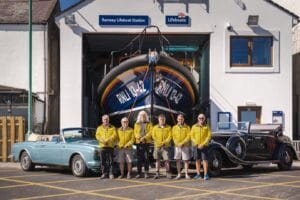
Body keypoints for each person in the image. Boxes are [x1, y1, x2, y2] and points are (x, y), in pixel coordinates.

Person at [190, 113, 212, 180]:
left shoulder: (207, 127)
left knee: (205, 160)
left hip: (204, 146)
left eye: (202, 118)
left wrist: (203, 144)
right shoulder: (194, 127)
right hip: (196, 146)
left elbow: (209, 136)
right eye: (200, 118)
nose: (201, 119)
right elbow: (192, 136)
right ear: (198, 119)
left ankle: (205, 174)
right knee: (197, 160)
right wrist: (197, 144)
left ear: (204, 119)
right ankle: (198, 174)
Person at [95, 114, 117, 179]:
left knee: (111, 161)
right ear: (102, 120)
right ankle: (104, 173)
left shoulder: (113, 127)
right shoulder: (99, 128)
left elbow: (115, 135)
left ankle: (111, 174)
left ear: (109, 120)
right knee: (103, 161)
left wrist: (108, 140)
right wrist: (102, 141)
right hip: (102, 146)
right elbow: (97, 136)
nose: (106, 120)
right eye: (104, 119)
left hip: (110, 146)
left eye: (107, 119)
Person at [152, 114, 172, 179]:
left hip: (166, 146)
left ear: (165, 120)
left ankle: (168, 173)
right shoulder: (155, 127)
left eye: (163, 119)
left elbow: (170, 136)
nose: (162, 121)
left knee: (166, 160)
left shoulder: (168, 127)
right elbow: (153, 136)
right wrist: (160, 142)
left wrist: (165, 142)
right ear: (158, 120)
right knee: (157, 160)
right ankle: (157, 173)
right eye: (161, 119)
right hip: (157, 146)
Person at [134, 110, 153, 178]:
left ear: (146, 116)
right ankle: (139, 173)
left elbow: (150, 132)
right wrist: (140, 138)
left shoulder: (149, 123)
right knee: (139, 159)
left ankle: (146, 172)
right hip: (139, 143)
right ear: (139, 116)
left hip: (146, 143)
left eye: (144, 115)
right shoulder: (136, 124)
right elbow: (135, 133)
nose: (143, 116)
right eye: (141, 115)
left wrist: (144, 138)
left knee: (146, 158)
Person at [172, 114, 191, 180]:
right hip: (177, 146)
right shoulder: (174, 127)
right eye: (179, 119)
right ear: (177, 119)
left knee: (186, 160)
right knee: (178, 160)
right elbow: (173, 137)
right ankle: (179, 174)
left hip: (185, 145)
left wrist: (182, 143)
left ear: (183, 119)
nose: (180, 120)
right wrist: (178, 143)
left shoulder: (187, 127)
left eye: (181, 119)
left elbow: (188, 136)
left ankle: (186, 174)